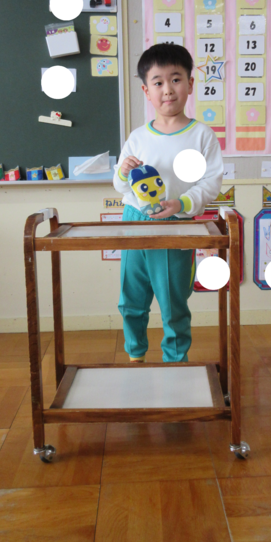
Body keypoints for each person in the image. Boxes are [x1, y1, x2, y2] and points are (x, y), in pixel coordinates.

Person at [113, 43, 223, 363]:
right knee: (131, 298)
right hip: (134, 220)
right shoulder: (137, 137)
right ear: (146, 91)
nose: (168, 89)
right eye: (158, 82)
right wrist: (123, 171)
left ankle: (176, 361)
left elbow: (211, 183)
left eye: (176, 79)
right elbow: (120, 185)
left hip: (177, 223)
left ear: (190, 83)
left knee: (173, 301)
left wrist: (182, 204)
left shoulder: (201, 135)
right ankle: (135, 355)